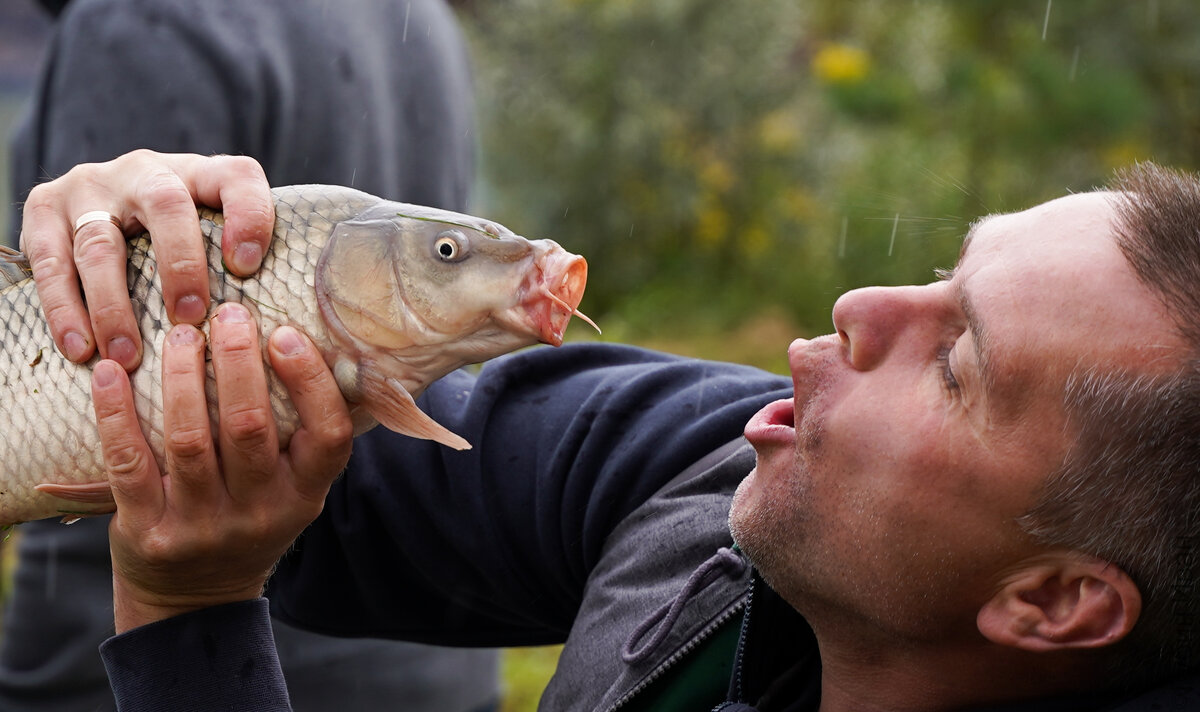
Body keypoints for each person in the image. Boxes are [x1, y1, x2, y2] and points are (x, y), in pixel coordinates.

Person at [19, 151, 1200, 712]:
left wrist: (186, 620)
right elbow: (348, 490)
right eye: (944, 271)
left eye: (956, 359)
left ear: (1054, 602)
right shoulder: (728, 464)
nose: (859, 307)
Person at [1, 2, 500, 711]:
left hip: (177, 661)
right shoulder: (418, 17)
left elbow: (82, 380)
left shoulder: (142, 20)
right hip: (433, 654)